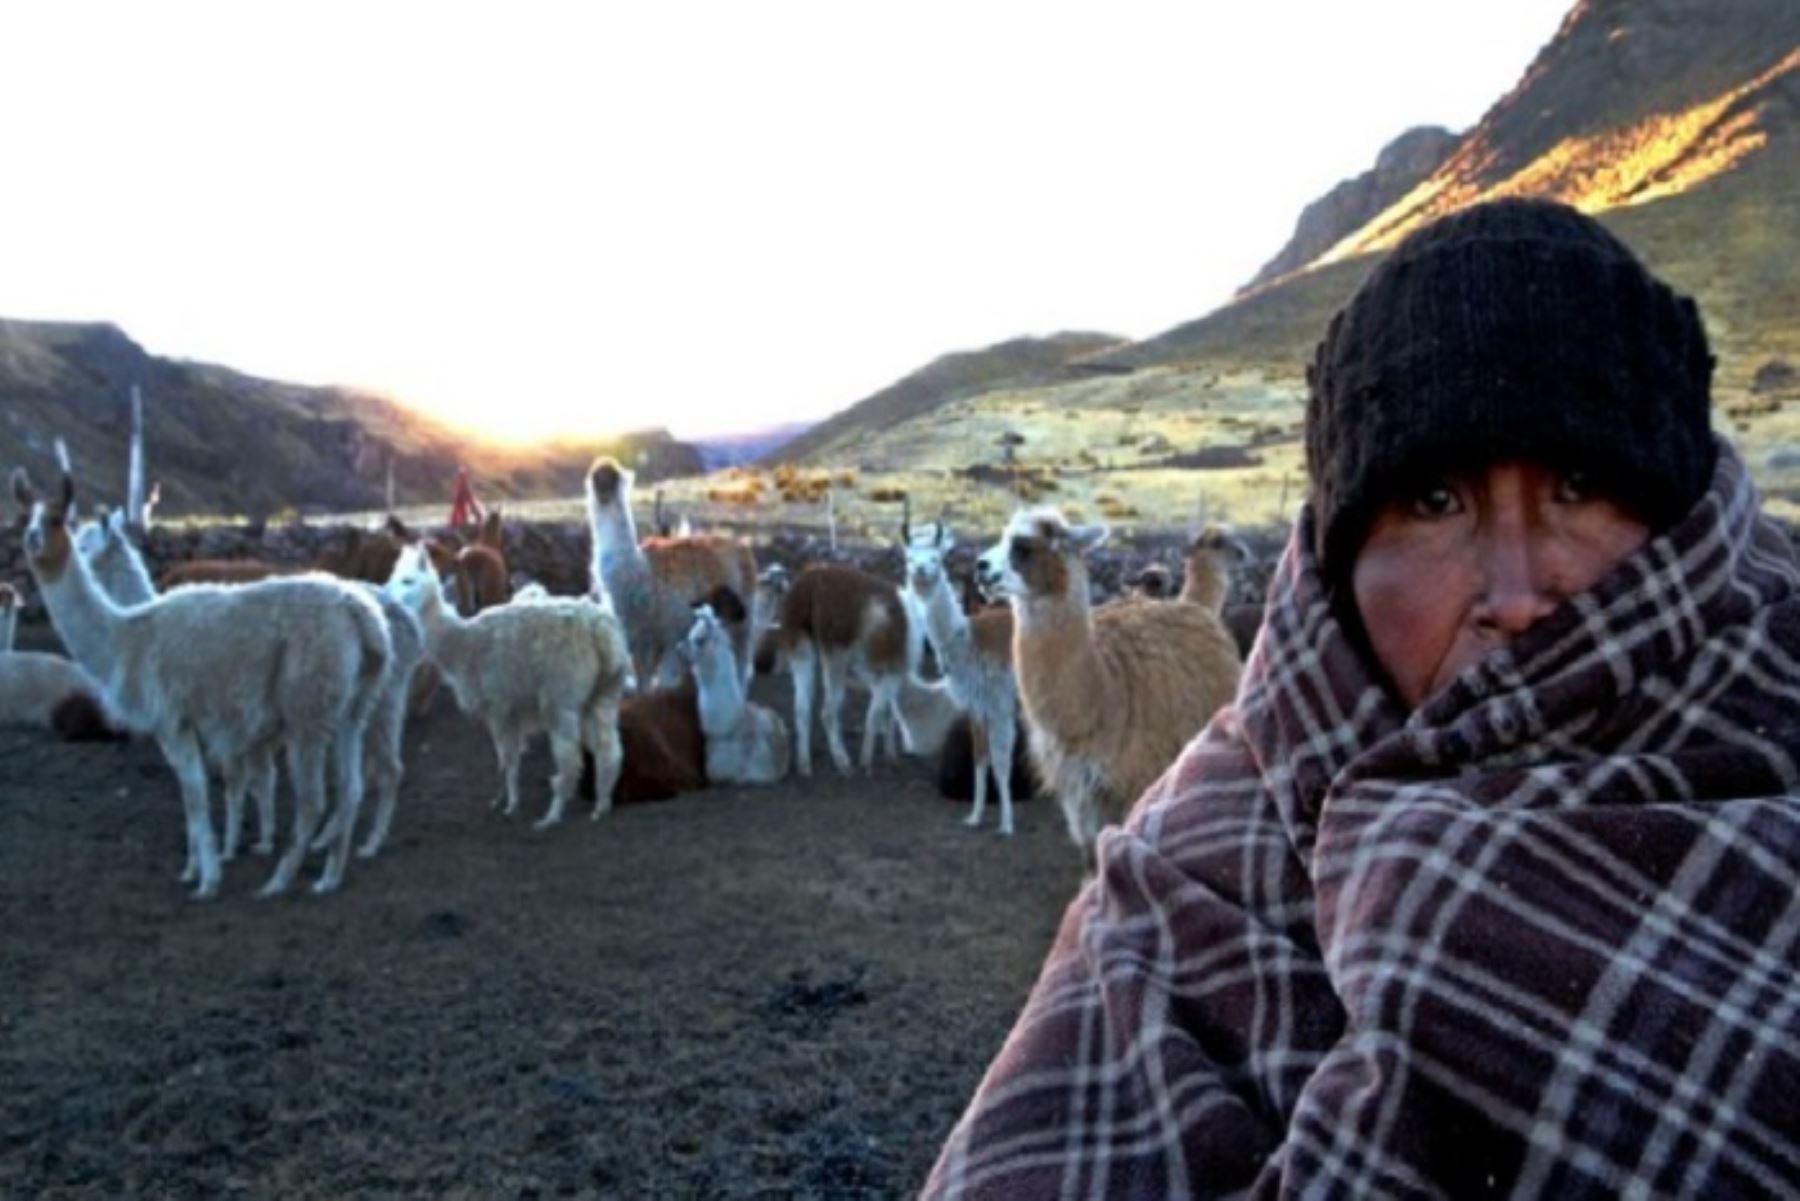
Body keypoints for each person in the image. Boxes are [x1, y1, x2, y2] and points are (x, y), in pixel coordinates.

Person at [924, 198, 1800, 1197]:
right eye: (1436, 502)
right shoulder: (1196, 878)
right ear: (1344, 562)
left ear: (1684, 523)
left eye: (1580, 484)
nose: (1516, 596)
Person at [447, 464, 484, 530]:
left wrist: (478, 516)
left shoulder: (464, 486)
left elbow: (471, 502)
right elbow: (455, 498)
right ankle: (457, 526)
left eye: (463, 476)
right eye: (460, 476)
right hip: (459, 510)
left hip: (461, 510)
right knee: (459, 516)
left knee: (462, 515)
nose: (461, 478)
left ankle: (460, 525)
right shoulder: (458, 486)